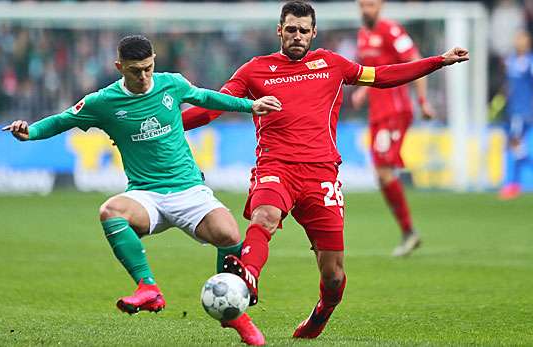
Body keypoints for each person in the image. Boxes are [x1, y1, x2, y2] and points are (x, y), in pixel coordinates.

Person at [181, 1, 468, 342]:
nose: (297, 36)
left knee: (333, 276)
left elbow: (383, 76)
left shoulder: (332, 64)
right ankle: (248, 276)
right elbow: (215, 107)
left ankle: (322, 312)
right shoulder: (254, 70)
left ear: (313, 33)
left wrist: (438, 61)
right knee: (264, 216)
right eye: (291, 30)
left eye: (304, 30)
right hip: (276, 167)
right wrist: (171, 128)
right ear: (279, 30)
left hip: (322, 176)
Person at [3, 35, 282, 346]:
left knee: (229, 235)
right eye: (135, 70)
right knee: (110, 211)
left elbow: (206, 98)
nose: (144, 76)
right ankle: (148, 289)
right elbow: (63, 120)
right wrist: (31, 132)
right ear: (119, 67)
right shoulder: (103, 102)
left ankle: (233, 316)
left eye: (148, 68)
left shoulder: (171, 84)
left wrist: (250, 105)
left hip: (188, 188)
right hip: (145, 193)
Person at [351, 0, 434, 257]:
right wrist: (364, 92)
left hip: (396, 110)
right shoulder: (363, 35)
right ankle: (408, 231)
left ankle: (409, 232)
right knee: (381, 173)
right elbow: (374, 72)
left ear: (381, 6)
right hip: (378, 113)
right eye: (363, 5)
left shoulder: (392, 31)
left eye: (372, 5)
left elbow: (416, 61)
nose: (367, 10)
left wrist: (422, 100)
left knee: (384, 170)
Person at [498, 30, 533, 200]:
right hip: (513, 110)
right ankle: (513, 184)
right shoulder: (510, 61)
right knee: (514, 146)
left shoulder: (529, 62)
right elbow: (509, 86)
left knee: (515, 145)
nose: (518, 41)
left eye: (522, 38)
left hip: (524, 110)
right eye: (517, 38)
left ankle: (512, 185)